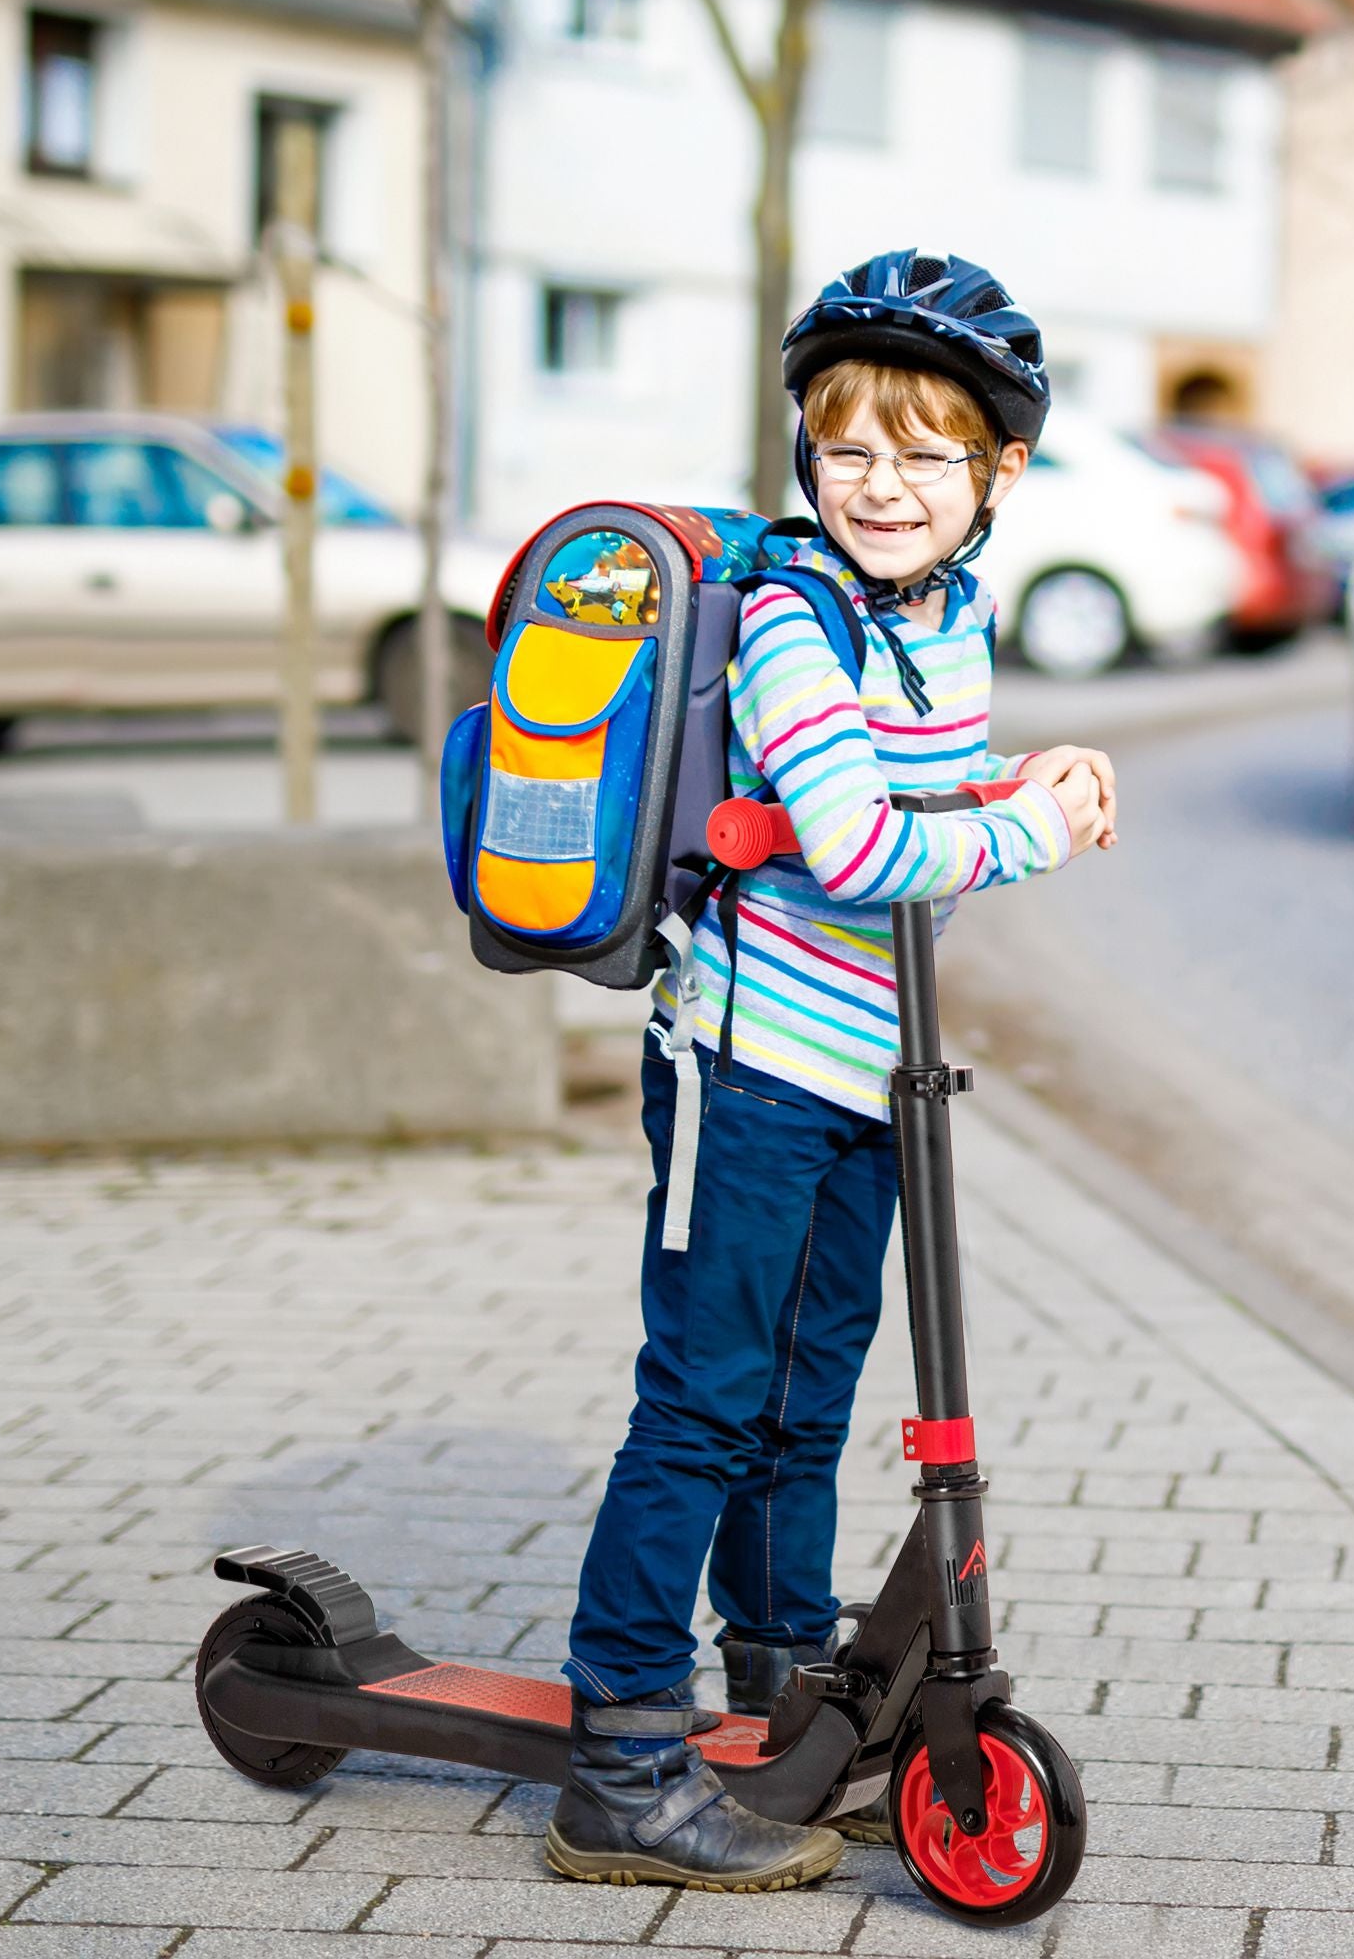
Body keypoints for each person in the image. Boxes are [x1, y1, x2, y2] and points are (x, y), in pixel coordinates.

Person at [546, 250, 1118, 1893]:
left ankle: (784, 1693)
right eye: (849, 445)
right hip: (748, 1064)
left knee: (808, 1404)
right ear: (807, 448)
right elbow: (862, 844)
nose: (883, 484)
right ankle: (623, 1759)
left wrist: (1017, 772)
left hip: (868, 1072)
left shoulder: (952, 609)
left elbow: (917, 781)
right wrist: (1041, 830)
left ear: (999, 473)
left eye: (927, 454)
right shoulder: (796, 613)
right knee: (707, 1404)